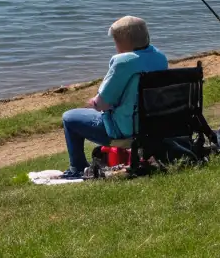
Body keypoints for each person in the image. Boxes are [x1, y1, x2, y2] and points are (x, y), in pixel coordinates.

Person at [60, 16, 168, 180]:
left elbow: (102, 104)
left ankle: (77, 168)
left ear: (124, 42)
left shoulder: (123, 62)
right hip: (152, 124)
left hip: (125, 130)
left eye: (116, 41)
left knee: (69, 117)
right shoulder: (160, 57)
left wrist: (94, 102)